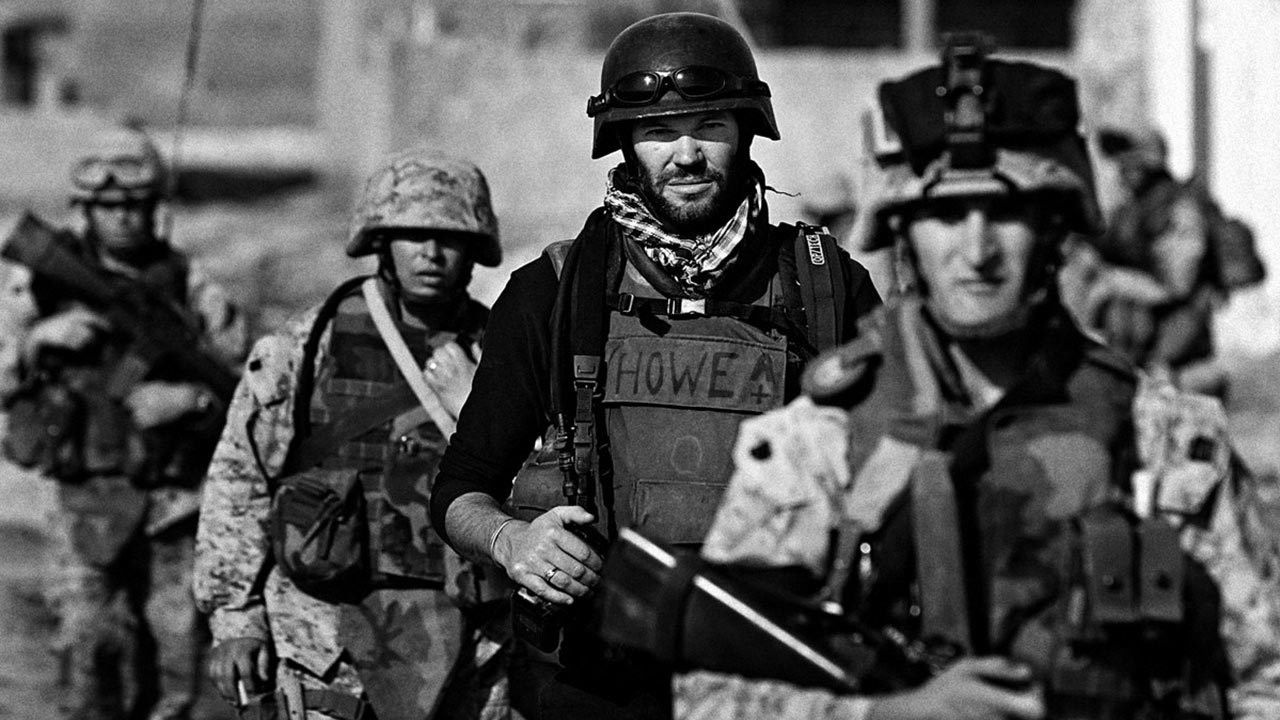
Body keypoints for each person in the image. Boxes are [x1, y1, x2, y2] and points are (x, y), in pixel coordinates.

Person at [673, 41, 1280, 719]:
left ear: (1053, 229)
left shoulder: (1166, 441)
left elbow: (1264, 682)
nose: (977, 250)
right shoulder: (818, 445)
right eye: (945, 214)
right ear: (904, 233)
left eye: (1005, 212)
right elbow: (705, 699)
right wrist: (887, 717)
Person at [429, 11, 880, 720]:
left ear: (747, 132)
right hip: (599, 681)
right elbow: (461, 489)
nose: (687, 154)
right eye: (659, 131)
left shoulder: (826, 286)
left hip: (771, 682)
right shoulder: (553, 292)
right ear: (625, 142)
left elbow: (900, 473)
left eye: (710, 127)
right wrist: (513, 541)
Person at [194, 148, 512, 720]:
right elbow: (240, 478)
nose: (431, 252)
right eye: (412, 234)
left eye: (450, 237)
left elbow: (542, 488)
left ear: (475, 249)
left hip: (470, 639)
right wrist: (235, 618)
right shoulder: (306, 345)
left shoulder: (508, 354)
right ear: (381, 243)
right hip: (322, 633)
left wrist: (474, 404)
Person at [0, 125, 246, 720]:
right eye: (108, 205)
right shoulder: (39, 285)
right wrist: (37, 341)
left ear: (156, 208)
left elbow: (245, 391)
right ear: (83, 210)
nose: (124, 217)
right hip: (84, 502)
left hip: (175, 503)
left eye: (137, 204)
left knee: (177, 654)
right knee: (89, 645)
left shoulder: (190, 286)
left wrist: (189, 401)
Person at [1062, 126, 1265, 398]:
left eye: (1129, 159)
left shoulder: (1180, 208)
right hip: (1140, 337)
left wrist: (1114, 283)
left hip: (1175, 343)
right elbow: (1108, 244)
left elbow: (1177, 285)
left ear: (1148, 163)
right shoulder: (1135, 207)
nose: (1120, 168)